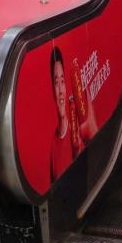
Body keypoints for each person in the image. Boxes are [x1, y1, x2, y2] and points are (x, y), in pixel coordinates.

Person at [50, 47, 76, 182]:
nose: (60, 90)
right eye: (56, 83)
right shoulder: (53, 148)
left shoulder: (76, 126)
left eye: (62, 81)